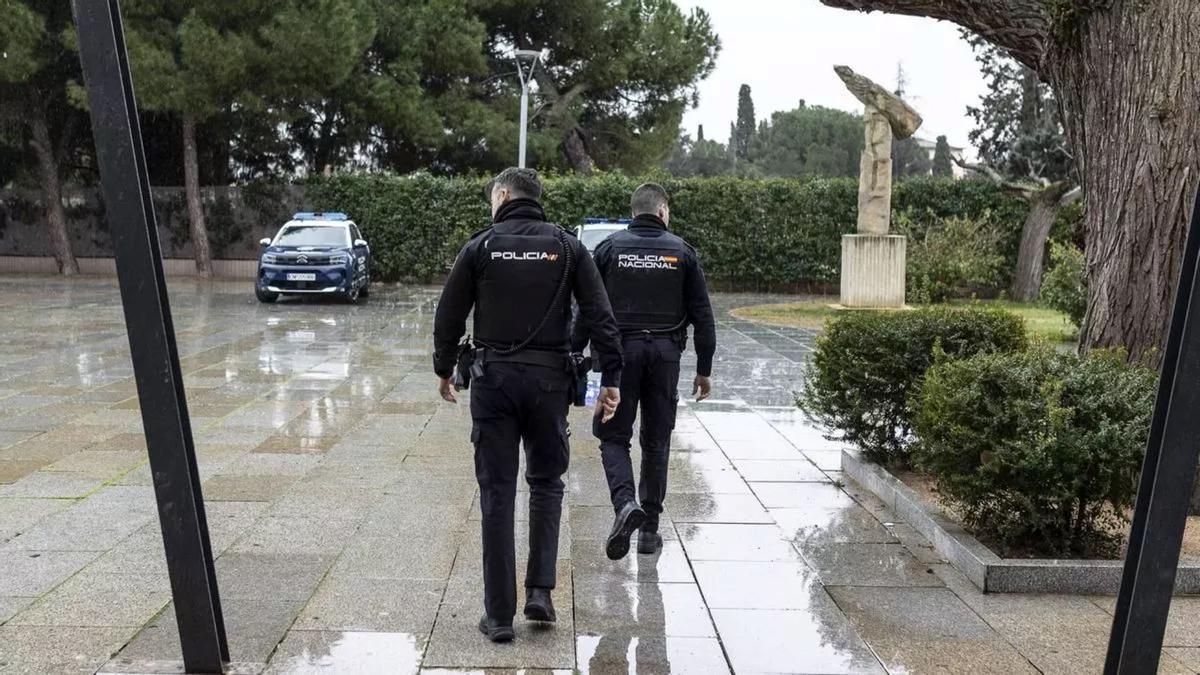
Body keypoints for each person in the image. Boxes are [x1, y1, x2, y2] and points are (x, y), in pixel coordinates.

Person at [432, 167, 623, 643]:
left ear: (501, 196)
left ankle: (498, 617)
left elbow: (449, 312)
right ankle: (540, 592)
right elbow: (601, 316)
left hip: (493, 382)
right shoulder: (568, 247)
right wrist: (612, 380)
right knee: (546, 484)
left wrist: (442, 367)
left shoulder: (480, 247)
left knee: (497, 494)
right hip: (549, 386)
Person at [572, 182, 716, 560]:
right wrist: (704, 369)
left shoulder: (609, 250)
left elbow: (587, 308)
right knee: (657, 440)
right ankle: (649, 529)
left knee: (613, 435)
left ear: (634, 211)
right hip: (666, 356)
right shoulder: (683, 252)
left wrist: (571, 353)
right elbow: (703, 315)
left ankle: (625, 504)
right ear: (663, 211)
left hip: (618, 358)